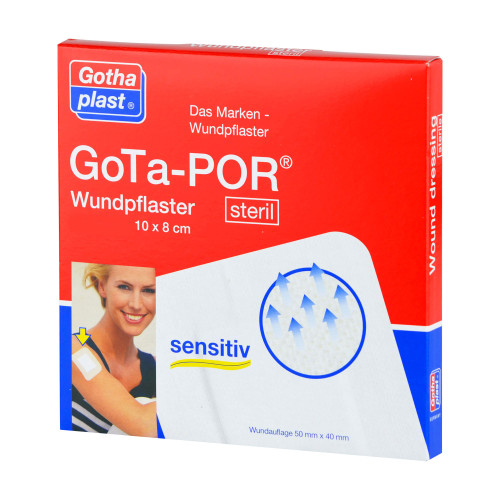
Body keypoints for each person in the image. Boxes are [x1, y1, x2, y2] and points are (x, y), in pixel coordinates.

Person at [71, 264, 157, 437]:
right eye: (124, 287)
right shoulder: (72, 349)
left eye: (149, 291)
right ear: (102, 286)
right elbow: (143, 425)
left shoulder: (154, 369)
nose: (136, 304)